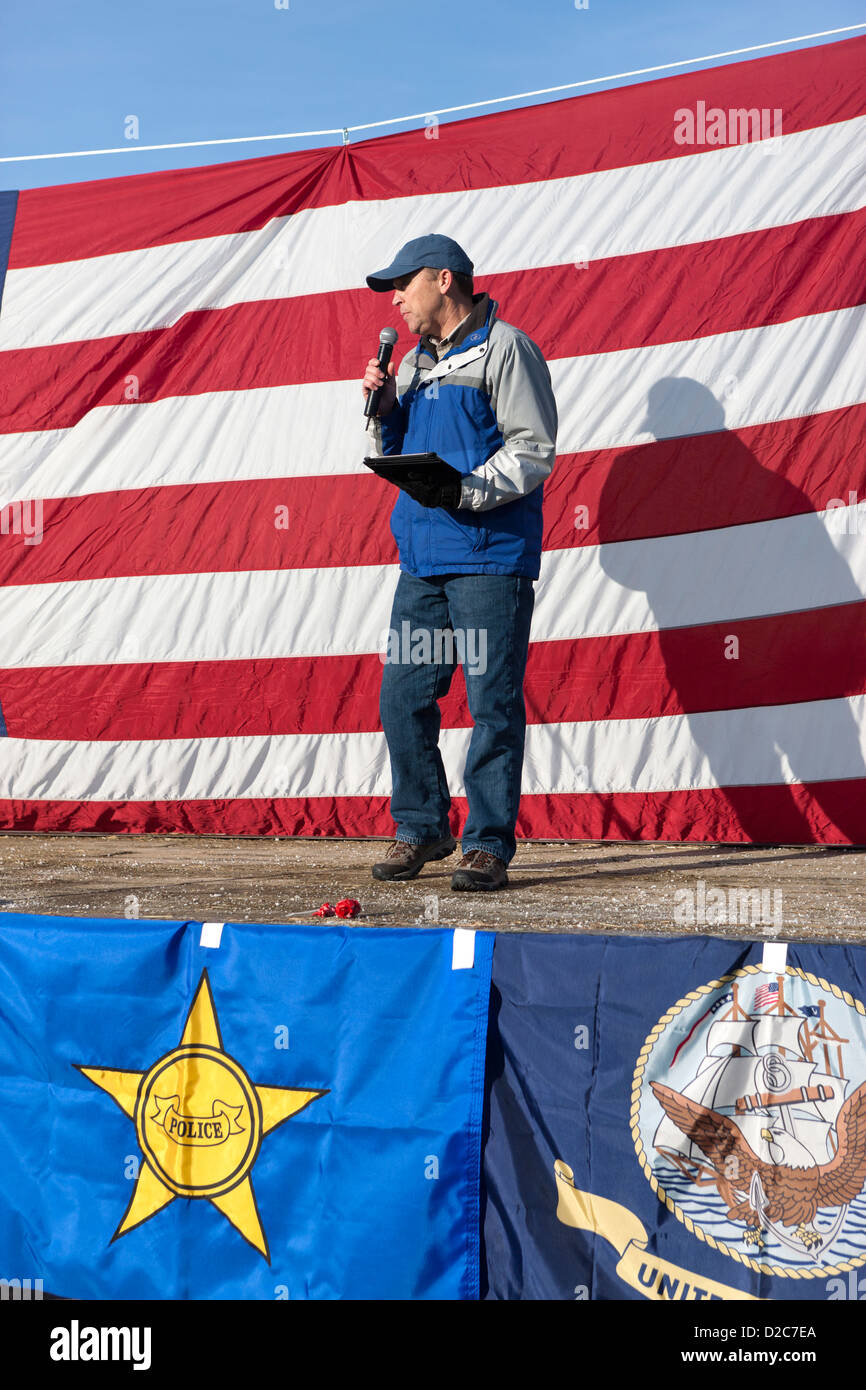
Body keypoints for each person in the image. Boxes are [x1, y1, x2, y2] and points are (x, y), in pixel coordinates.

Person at [362, 234, 557, 890]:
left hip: (489, 562)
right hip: (422, 561)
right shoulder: (413, 364)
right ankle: (423, 825)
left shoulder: (508, 349)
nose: (395, 298)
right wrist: (386, 413)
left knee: (491, 702)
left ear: (444, 280)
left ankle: (489, 843)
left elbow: (533, 449)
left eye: (403, 283)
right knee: (402, 697)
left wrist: (468, 491)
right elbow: (403, 453)